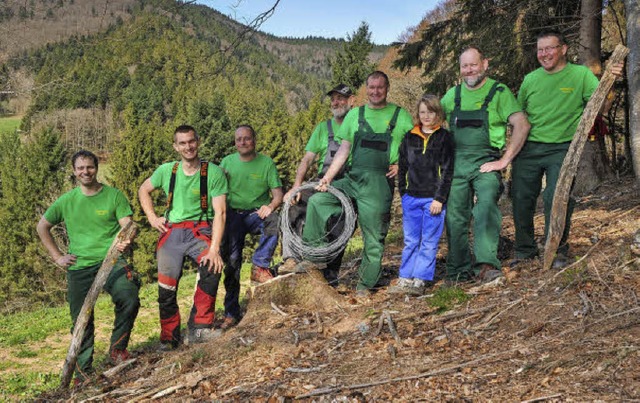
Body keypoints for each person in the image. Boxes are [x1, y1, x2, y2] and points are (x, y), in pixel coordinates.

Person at [513, 30, 624, 268]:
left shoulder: (580, 75)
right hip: (529, 148)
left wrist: (610, 82)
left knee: (557, 195)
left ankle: (558, 249)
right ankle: (524, 251)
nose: (544, 54)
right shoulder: (530, 80)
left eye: (549, 48)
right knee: (521, 197)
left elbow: (602, 107)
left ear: (563, 49)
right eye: (540, 50)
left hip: (563, 148)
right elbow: (519, 117)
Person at [303, 71, 414, 295]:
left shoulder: (400, 115)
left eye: (380, 87)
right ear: (367, 89)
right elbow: (343, 150)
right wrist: (328, 177)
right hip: (353, 178)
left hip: (379, 183)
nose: (375, 91)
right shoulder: (356, 115)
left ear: (387, 88)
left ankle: (365, 286)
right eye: (371, 87)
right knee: (318, 200)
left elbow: (414, 145)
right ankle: (313, 257)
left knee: (373, 237)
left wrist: (403, 165)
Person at [37, 150, 140, 385]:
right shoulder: (67, 200)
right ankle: (83, 372)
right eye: (80, 168)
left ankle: (117, 349)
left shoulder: (113, 196)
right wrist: (57, 257)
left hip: (112, 261)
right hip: (79, 266)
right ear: (74, 171)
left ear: (97, 167)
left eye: (90, 167)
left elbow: (128, 225)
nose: (86, 172)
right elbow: (42, 226)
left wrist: (127, 239)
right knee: (81, 318)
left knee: (129, 295)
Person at [441, 46, 530, 283]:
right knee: (455, 214)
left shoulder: (499, 92)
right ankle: (457, 269)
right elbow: (430, 122)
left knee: (486, 205)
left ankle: (486, 265)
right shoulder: (452, 95)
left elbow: (521, 124)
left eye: (473, 64)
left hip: (486, 162)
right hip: (456, 163)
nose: (469, 70)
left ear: (485, 64)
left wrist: (504, 160)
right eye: (464, 66)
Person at [139, 125, 227, 349]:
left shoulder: (213, 172)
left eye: (191, 141)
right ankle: (169, 338)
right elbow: (143, 190)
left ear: (198, 141)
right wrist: (152, 217)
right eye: (182, 143)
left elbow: (220, 213)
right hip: (172, 231)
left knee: (212, 267)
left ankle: (199, 329)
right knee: (166, 286)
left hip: (200, 230)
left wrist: (214, 249)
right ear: (175, 146)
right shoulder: (168, 170)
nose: (188, 147)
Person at [281, 83, 354, 284]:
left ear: (352, 101)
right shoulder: (324, 128)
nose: (336, 102)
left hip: (347, 182)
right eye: (334, 99)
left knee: (339, 221)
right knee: (293, 204)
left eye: (341, 98)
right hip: (322, 180)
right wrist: (297, 185)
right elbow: (307, 160)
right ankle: (290, 258)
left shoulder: (357, 124)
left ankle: (330, 274)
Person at [388, 94, 454, 295]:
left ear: (438, 114)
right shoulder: (409, 136)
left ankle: (421, 278)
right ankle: (405, 276)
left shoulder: (445, 137)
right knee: (410, 240)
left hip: (432, 200)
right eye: (422, 112)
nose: (426, 116)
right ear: (418, 113)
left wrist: (440, 198)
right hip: (411, 199)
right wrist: (404, 194)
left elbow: (448, 169)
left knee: (429, 240)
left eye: (430, 112)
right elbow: (403, 166)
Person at [219, 124, 283, 329]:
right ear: (235, 142)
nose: (243, 142)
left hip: (257, 213)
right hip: (233, 215)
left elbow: (278, 194)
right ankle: (231, 312)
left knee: (275, 220)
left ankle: (260, 265)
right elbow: (216, 189)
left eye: (247, 138)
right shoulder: (227, 162)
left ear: (254, 140)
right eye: (239, 139)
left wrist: (271, 206)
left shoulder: (266, 163)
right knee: (232, 263)